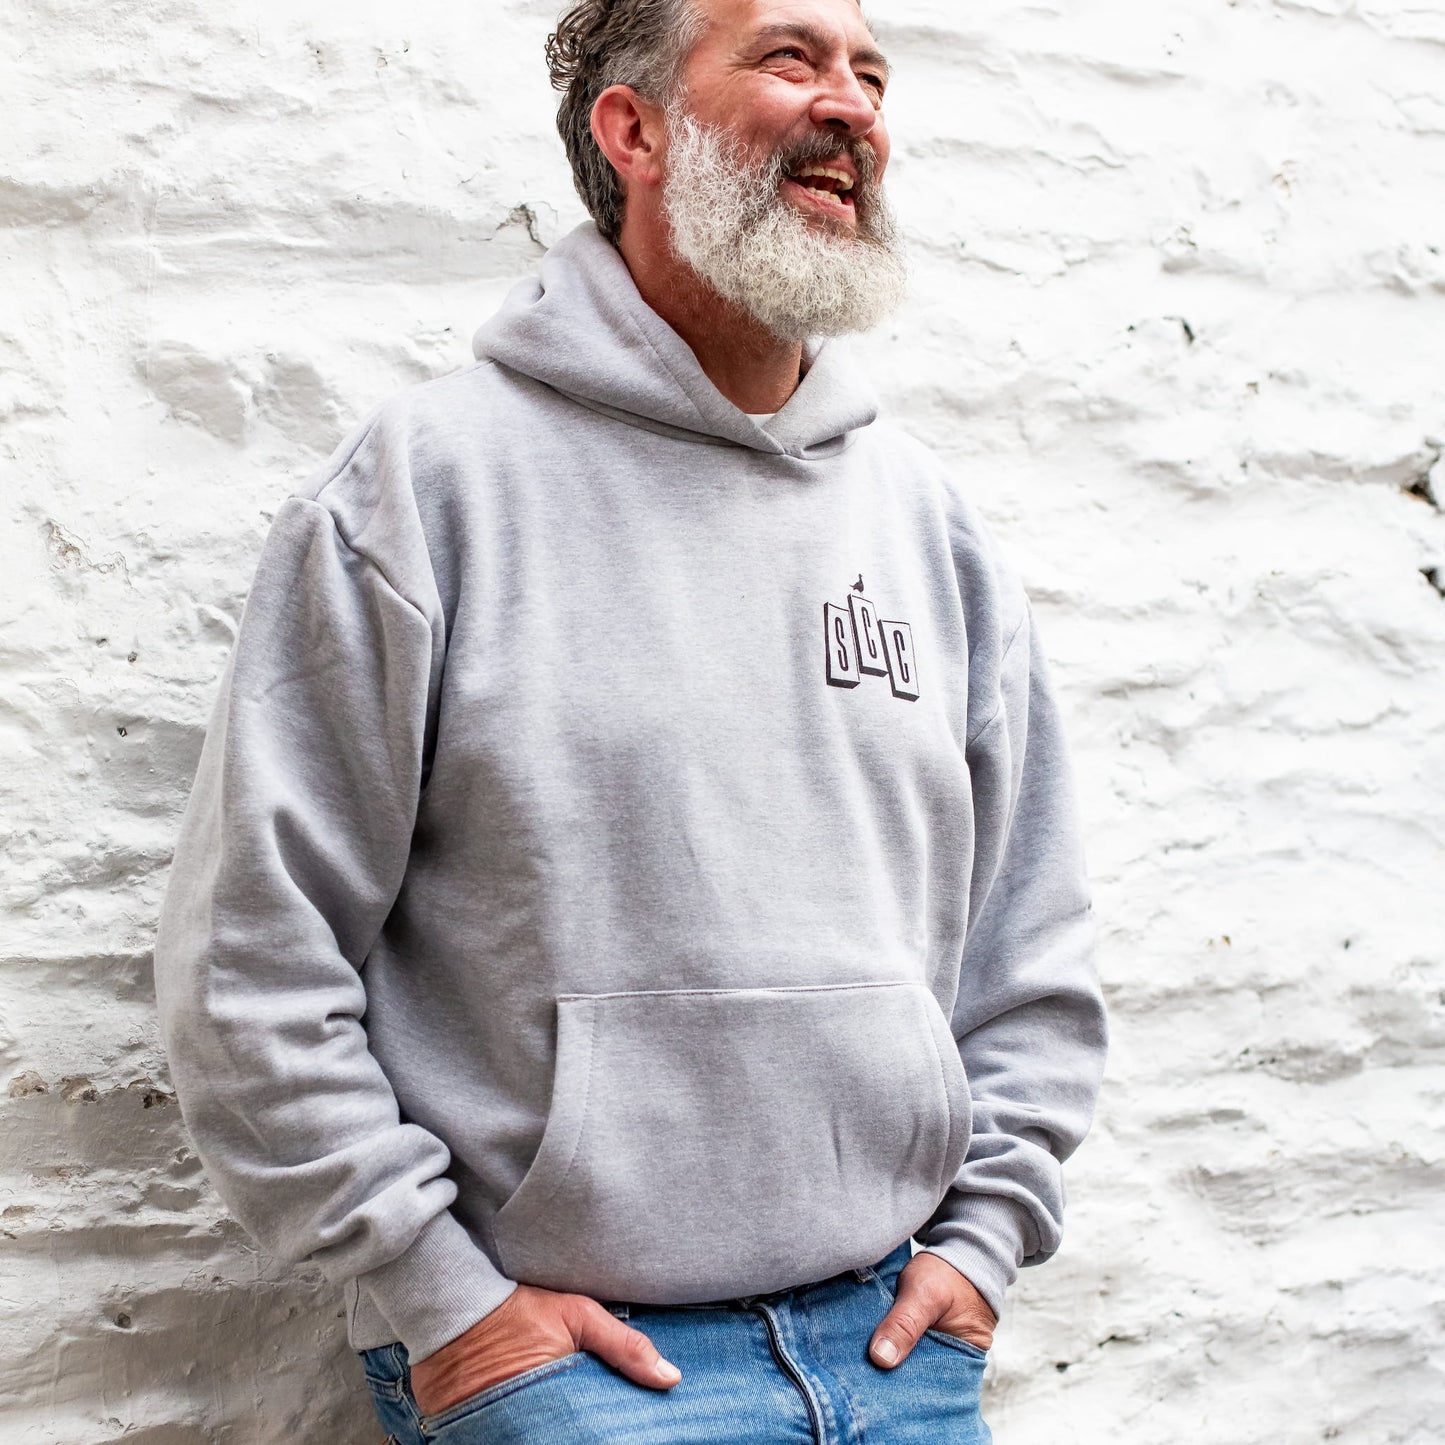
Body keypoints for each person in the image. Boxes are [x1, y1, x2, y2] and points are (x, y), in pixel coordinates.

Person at [153, 0, 1109, 1439]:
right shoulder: (428, 487)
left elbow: (1025, 936)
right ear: (633, 127)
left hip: (900, 1348)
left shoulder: (925, 519)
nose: (849, 106)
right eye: (789, 58)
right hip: (580, 1376)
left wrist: (982, 1246)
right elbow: (251, 952)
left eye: (869, 73)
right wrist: (444, 1297)